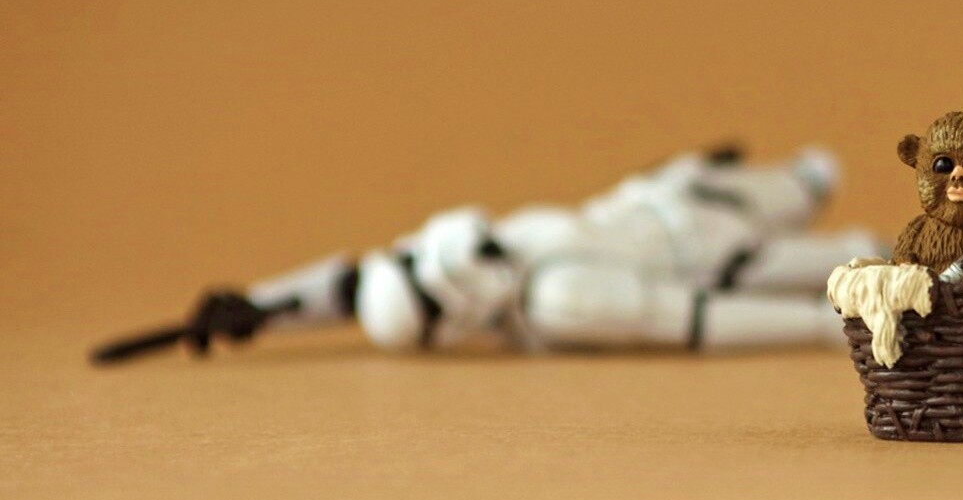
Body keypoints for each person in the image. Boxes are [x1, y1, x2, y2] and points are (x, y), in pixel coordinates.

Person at [92, 146, 883, 362]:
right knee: (861, 257)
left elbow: (352, 285)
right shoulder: (557, 300)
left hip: (667, 199)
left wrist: (262, 307)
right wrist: (824, 325)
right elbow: (696, 318)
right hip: (716, 259)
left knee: (807, 180)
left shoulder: (464, 257)